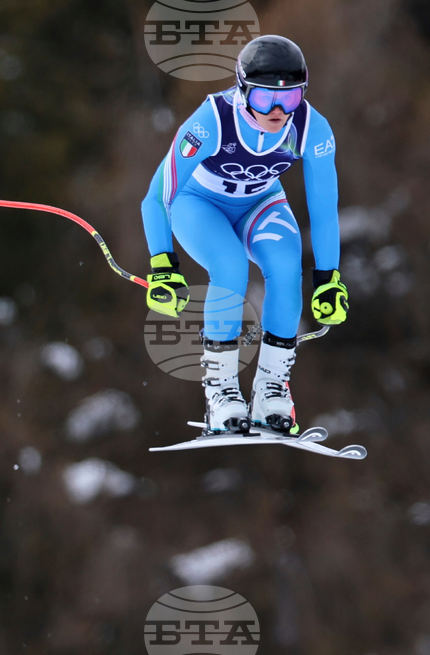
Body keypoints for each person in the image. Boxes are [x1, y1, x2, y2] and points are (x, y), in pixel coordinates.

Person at [141, 35, 348, 435]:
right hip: (199, 203)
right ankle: (221, 391)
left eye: (289, 101)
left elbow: (324, 212)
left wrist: (328, 279)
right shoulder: (211, 121)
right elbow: (155, 198)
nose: (276, 111)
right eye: (263, 98)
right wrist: (162, 264)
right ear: (241, 91)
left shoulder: (312, 129)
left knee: (288, 267)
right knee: (231, 267)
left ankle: (271, 389)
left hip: (260, 203)